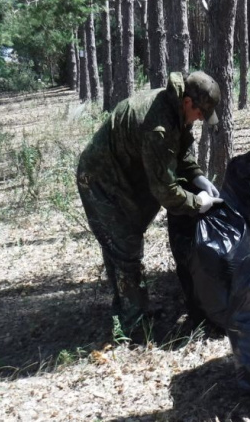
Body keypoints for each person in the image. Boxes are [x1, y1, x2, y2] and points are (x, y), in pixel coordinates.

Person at [76, 71, 224, 328]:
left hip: (124, 174)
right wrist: (197, 203)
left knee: (124, 242)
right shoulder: (159, 128)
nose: (200, 119)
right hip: (100, 179)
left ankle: (127, 308)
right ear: (188, 102)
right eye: (200, 113)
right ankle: (134, 325)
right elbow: (165, 191)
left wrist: (198, 176)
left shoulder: (175, 109)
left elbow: (179, 151)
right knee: (125, 248)